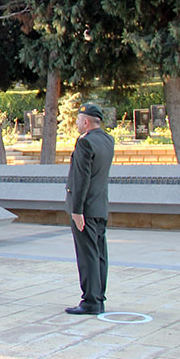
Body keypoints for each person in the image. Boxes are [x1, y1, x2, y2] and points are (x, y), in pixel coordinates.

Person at [64, 102, 115, 315]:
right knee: (99, 255)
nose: (76, 123)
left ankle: (91, 301)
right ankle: (98, 297)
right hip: (100, 206)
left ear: (85, 122)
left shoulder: (85, 143)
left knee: (87, 257)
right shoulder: (107, 140)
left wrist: (77, 211)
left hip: (85, 209)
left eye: (77, 120)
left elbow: (82, 179)